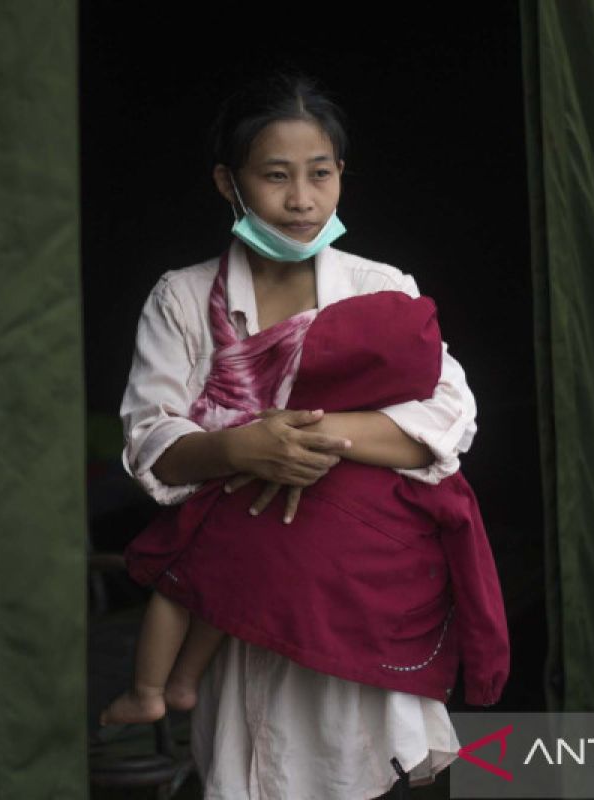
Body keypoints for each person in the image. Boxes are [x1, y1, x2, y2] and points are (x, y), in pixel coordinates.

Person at [111, 71, 502, 799]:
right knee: (256, 772)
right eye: (275, 177)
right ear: (228, 182)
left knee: (367, 767)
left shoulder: (382, 288)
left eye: (320, 175)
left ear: (341, 176)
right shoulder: (185, 298)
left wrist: (307, 441)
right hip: (241, 617)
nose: (301, 201)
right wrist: (235, 448)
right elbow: (149, 439)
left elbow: (449, 414)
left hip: (362, 599)